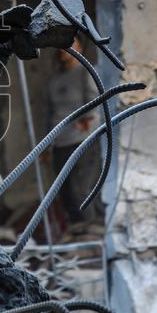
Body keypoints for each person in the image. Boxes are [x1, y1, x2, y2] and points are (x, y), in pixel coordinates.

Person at [44, 36, 100, 228]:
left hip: (83, 140)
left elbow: (95, 99)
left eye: (70, 45)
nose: (64, 49)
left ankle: (89, 227)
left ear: (80, 48)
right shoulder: (54, 80)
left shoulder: (86, 72)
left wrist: (88, 118)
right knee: (64, 190)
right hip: (60, 142)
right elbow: (49, 113)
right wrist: (46, 144)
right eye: (62, 46)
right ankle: (77, 228)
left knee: (81, 189)